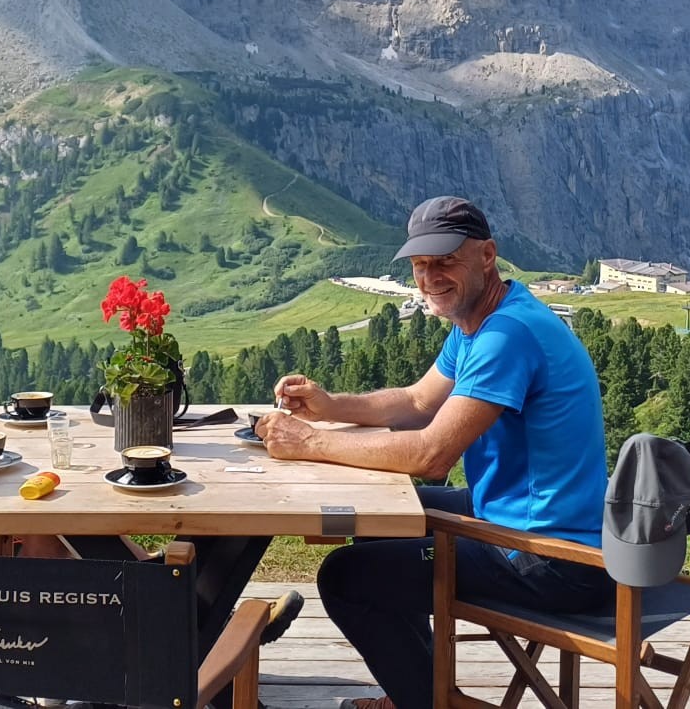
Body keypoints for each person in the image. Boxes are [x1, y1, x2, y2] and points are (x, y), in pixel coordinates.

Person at [255, 196, 613, 709]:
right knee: (376, 522)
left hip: (547, 558)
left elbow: (430, 455)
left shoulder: (506, 337)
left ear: (487, 255)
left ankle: (426, 702)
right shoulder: (485, 320)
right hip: (529, 521)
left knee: (347, 579)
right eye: (420, 265)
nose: (429, 277)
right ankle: (421, 693)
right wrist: (331, 404)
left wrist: (308, 442)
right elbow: (419, 401)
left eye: (445, 260)